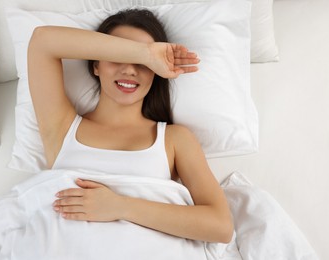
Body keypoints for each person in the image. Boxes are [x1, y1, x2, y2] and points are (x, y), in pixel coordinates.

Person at [27, 8, 234, 243]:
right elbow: (42, 41)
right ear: (96, 65)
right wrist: (145, 54)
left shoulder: (174, 139)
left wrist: (120, 206)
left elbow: (221, 226)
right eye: (118, 58)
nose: (129, 70)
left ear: (156, 73)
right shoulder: (62, 126)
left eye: (142, 64)